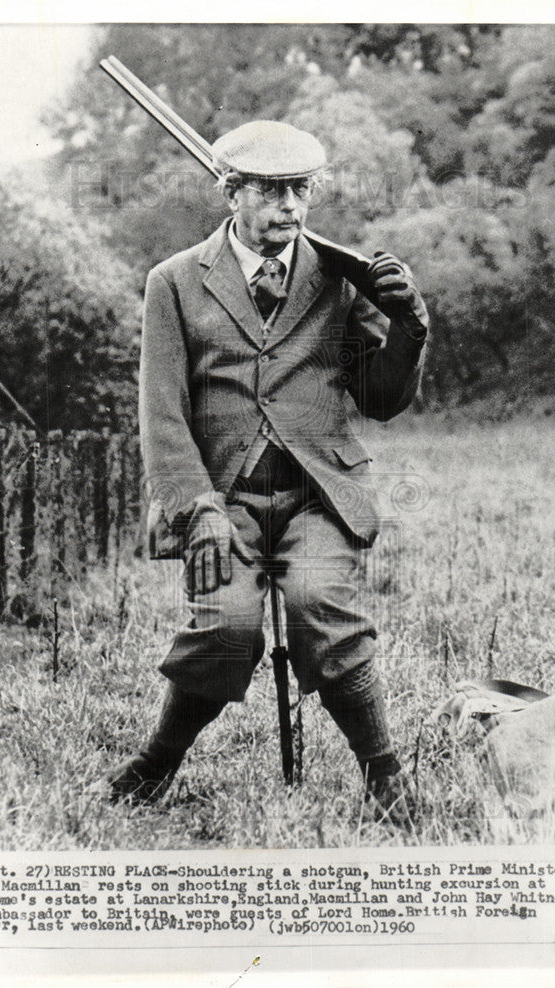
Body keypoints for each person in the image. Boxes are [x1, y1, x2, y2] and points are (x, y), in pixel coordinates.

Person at [110, 119, 429, 823]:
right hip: (220, 500)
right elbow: (161, 416)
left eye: (302, 190)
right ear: (231, 192)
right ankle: (156, 763)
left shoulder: (341, 280)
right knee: (223, 626)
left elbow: (379, 398)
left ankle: (386, 775)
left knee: (324, 607)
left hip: (322, 496)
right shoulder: (173, 283)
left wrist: (407, 327)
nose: (290, 207)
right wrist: (198, 511)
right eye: (272, 191)